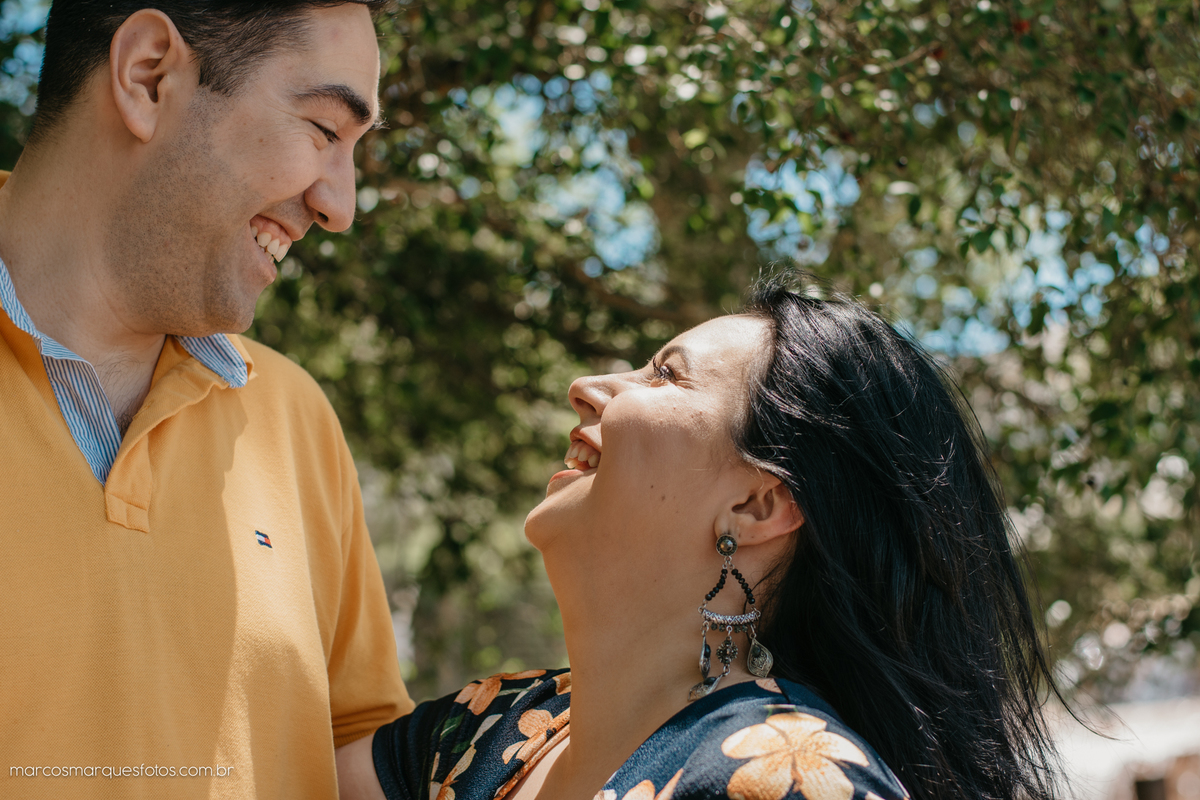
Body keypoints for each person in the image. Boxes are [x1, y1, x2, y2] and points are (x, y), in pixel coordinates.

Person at [337, 277, 1063, 800]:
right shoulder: (489, 729)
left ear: (756, 503)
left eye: (665, 375)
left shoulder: (788, 777)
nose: (587, 385)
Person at [0, 2, 412, 797]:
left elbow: (353, 755)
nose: (341, 206)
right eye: (324, 129)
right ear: (148, 76)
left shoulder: (296, 422)